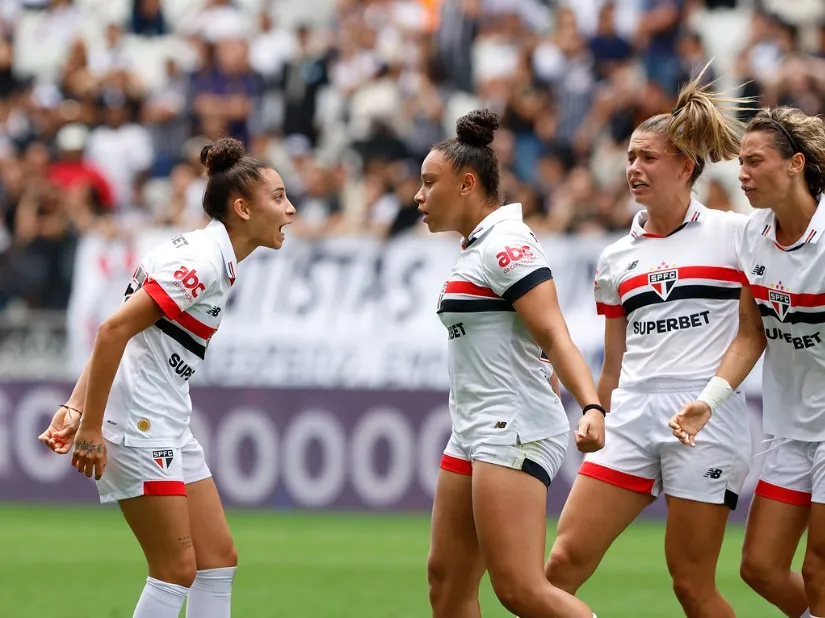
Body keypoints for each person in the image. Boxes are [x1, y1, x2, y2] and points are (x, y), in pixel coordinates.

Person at [37, 137, 296, 618]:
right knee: (175, 569)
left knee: (217, 560)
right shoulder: (198, 264)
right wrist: (89, 426)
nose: (291, 209)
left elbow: (124, 331)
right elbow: (111, 330)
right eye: (278, 197)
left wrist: (74, 406)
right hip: (138, 422)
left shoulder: (207, 254)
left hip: (164, 418)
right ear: (242, 208)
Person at [545, 65, 753, 618]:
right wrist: (595, 409)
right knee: (560, 566)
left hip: (705, 415)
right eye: (631, 157)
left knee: (691, 586)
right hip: (632, 411)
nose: (633, 168)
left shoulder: (735, 236)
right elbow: (614, 364)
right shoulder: (616, 259)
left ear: (686, 166)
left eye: (648, 157)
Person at [418, 108, 605, 618]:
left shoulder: (507, 245)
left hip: (513, 425)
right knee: (447, 582)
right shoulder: (477, 247)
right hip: (474, 426)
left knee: (520, 590)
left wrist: (591, 405)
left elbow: (553, 330)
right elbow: (525, 335)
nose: (418, 196)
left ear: (467, 183)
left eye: (429, 183)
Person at [671, 106, 825, 618]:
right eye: (741, 162)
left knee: (818, 570)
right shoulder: (752, 236)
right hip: (791, 428)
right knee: (759, 566)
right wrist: (708, 402)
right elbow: (750, 334)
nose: (743, 174)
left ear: (797, 165)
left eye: (755, 162)